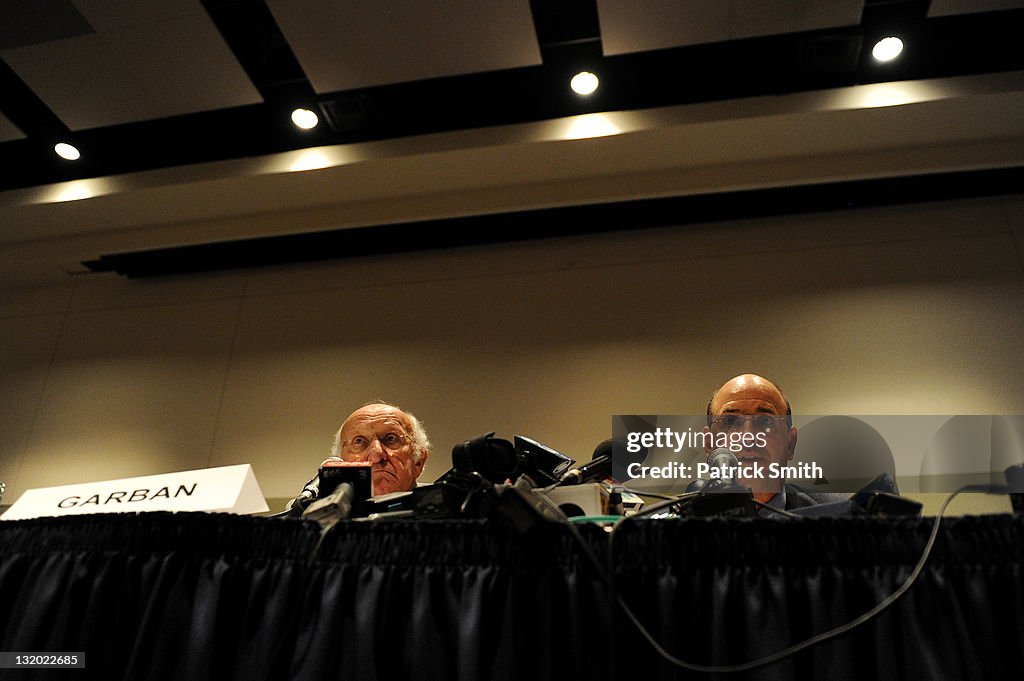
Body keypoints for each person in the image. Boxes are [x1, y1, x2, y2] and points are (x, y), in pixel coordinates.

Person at [704, 373, 847, 511]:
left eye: (765, 421)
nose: (748, 438)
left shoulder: (842, 513)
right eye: (730, 421)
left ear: (790, 444)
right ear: (709, 444)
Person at [330, 401, 431, 496]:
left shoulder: (445, 506)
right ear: (340, 463)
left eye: (391, 438)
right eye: (359, 441)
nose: (376, 456)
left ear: (418, 462)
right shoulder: (321, 512)